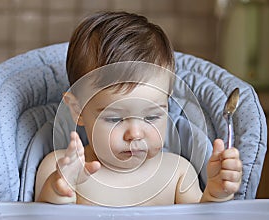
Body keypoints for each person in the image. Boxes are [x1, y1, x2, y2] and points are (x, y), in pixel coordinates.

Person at [35, 11, 242, 206]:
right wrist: (58, 190)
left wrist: (216, 194)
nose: (135, 134)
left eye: (152, 117)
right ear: (77, 109)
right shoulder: (59, 168)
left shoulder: (178, 174)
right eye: (115, 119)